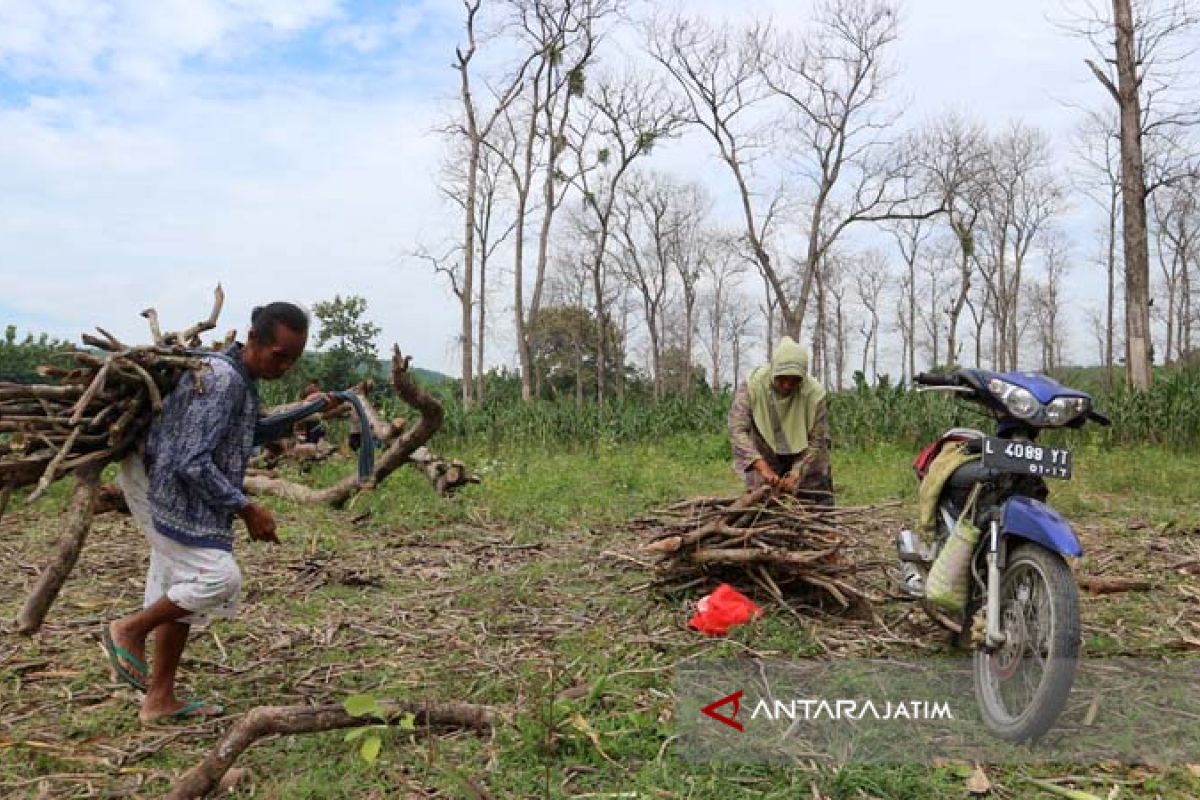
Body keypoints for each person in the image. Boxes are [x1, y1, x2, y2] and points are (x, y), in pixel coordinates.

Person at [101, 302, 339, 724]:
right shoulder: (221, 379)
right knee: (217, 577)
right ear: (253, 339)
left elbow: (248, 430)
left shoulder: (241, 380)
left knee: (178, 586)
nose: (284, 365)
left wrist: (308, 410)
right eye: (279, 354)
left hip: (179, 483)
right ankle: (129, 630)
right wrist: (247, 509)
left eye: (293, 359)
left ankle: (159, 700)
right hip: (165, 483)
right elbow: (191, 461)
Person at [728, 336, 833, 506]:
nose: (787, 385)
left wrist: (797, 471)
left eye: (794, 380)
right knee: (763, 502)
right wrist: (761, 466)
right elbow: (737, 429)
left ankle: (820, 522)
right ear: (773, 371)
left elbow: (816, 441)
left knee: (815, 491)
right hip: (764, 449)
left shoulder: (815, 394)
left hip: (803, 449)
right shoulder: (753, 386)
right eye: (782, 378)